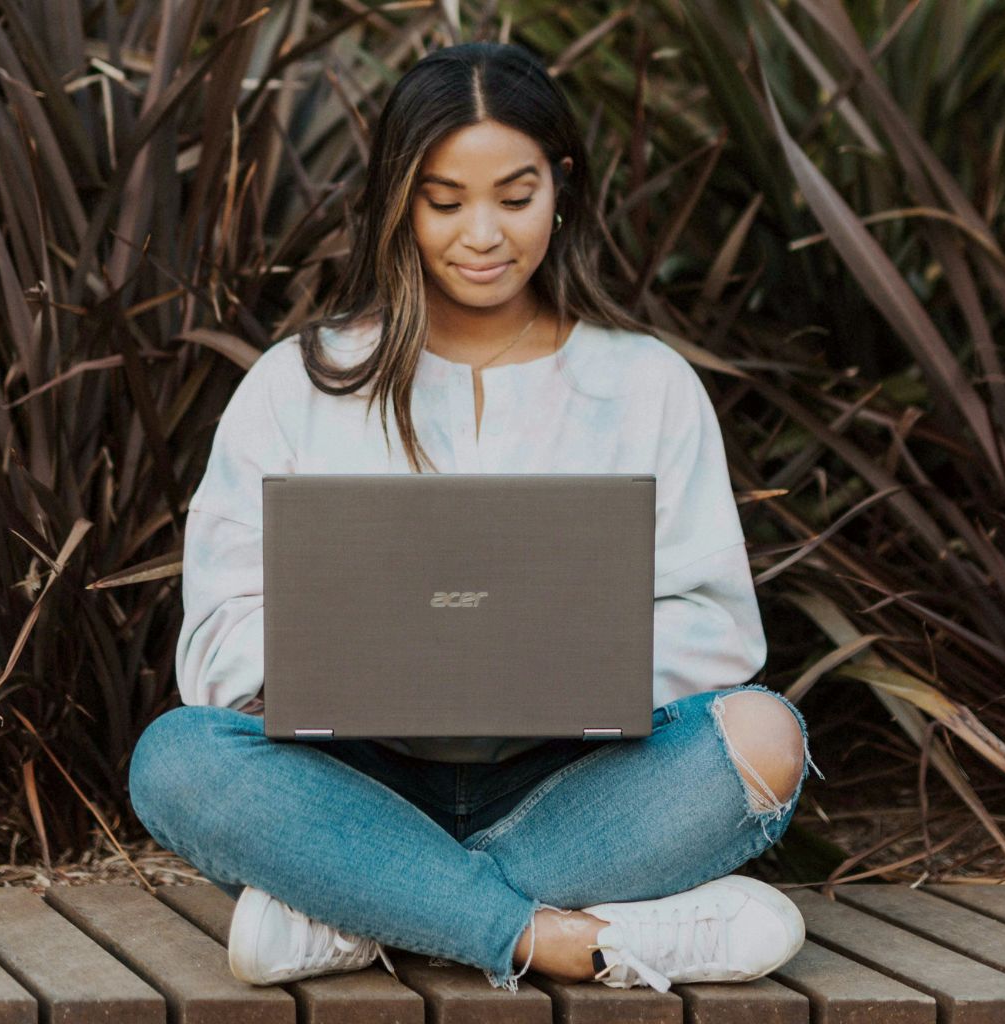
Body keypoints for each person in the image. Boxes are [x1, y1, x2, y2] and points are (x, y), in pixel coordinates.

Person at [128, 40, 825, 995]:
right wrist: (382, 665)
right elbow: (216, 639)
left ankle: (362, 912)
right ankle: (565, 939)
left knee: (764, 736)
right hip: (352, 781)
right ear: (398, 201)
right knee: (176, 760)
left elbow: (716, 628)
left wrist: (551, 664)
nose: (483, 234)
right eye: (445, 202)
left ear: (561, 185)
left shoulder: (646, 384)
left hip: (572, 787)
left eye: (516, 194)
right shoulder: (297, 384)